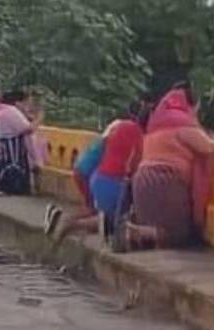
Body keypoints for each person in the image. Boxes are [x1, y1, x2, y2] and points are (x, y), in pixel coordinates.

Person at [131, 83, 214, 247]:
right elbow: (207, 147)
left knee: (154, 224)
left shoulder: (155, 125)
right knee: (178, 233)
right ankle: (136, 233)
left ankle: (136, 234)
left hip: (141, 180)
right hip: (166, 180)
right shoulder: (182, 124)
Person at [45, 102, 146, 247]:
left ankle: (65, 220)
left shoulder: (119, 127)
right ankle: (70, 224)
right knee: (109, 221)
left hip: (96, 174)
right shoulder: (137, 133)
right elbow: (135, 162)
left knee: (95, 211)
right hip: (108, 179)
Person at [0, 91, 39, 195]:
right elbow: (28, 128)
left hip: (3, 149)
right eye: (25, 103)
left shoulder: (2, 110)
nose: (27, 107)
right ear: (18, 103)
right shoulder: (11, 111)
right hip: (12, 151)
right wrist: (39, 119)